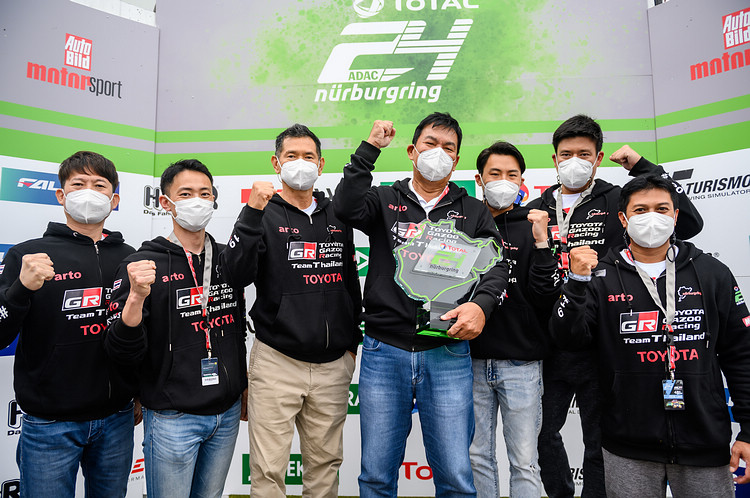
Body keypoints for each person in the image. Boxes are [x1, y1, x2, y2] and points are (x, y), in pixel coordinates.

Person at [527, 114, 704, 498]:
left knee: (598, 440)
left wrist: (641, 167)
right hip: (551, 341)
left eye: (584, 154)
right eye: (566, 154)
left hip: (604, 340)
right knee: (540, 434)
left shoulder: (615, 198)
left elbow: (688, 222)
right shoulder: (538, 206)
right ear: (554, 159)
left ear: (598, 157)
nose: (574, 161)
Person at [333, 113, 509, 497]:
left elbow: (497, 267)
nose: (438, 153)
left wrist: (481, 306)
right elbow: (344, 207)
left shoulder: (473, 211)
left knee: (456, 478)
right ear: (413, 151)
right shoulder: (384, 200)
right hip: (384, 351)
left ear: (456, 161)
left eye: (448, 148)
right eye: (430, 144)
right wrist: (369, 150)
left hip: (447, 352)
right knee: (376, 476)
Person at [549, 174, 750, 497]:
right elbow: (569, 339)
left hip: (703, 439)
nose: (651, 217)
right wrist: (576, 282)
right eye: (640, 210)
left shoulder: (712, 273)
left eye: (661, 208)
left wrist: (748, 430)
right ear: (623, 218)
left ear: (675, 215)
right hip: (627, 443)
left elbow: (741, 352)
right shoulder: (600, 276)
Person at [220, 124, 361, 497]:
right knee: (268, 472)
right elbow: (235, 274)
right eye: (291, 156)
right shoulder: (261, 213)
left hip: (333, 365)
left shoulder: (338, 214)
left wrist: (352, 345)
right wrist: (251, 212)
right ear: (276, 163)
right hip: (277, 361)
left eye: (309, 156)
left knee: (325, 470)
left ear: (321, 164)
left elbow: (351, 281)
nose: (301, 163)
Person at [105, 159, 248, 498]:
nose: (197, 201)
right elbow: (121, 347)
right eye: (185, 193)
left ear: (214, 200)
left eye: (204, 193)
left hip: (226, 412)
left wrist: (241, 384)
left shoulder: (228, 260)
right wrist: (136, 296)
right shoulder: (142, 264)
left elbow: (237, 328)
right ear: (166, 203)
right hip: (172, 416)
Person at [0, 151, 135, 497]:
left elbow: (139, 333)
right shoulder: (27, 256)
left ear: (114, 200)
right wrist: (20, 289)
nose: (89, 192)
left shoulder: (130, 257)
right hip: (50, 423)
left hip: (117, 418)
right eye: (79, 184)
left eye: (99, 185)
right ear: (61, 195)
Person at [470, 141, 561, 498]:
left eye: (512, 175)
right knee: (477, 455)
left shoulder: (532, 225)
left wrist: (542, 244)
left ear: (522, 181)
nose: (503, 181)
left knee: (524, 461)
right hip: (470, 360)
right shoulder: (464, 224)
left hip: (522, 362)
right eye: (495, 174)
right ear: (479, 179)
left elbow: (545, 296)